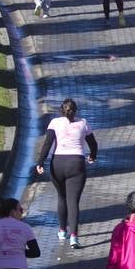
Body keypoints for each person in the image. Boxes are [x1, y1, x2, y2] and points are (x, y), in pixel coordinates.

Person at [35, 98, 98, 249]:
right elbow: (93, 143)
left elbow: (48, 143)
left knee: (61, 197)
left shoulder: (55, 123)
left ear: (61, 110)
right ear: (75, 111)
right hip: (76, 164)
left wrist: (40, 162)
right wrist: (92, 156)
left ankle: (62, 231)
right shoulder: (83, 123)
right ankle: (74, 237)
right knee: (73, 201)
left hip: (57, 163)